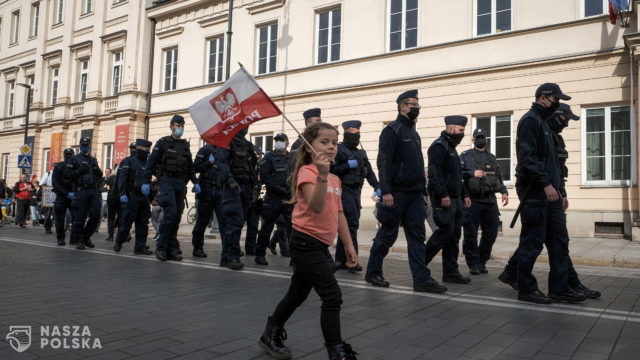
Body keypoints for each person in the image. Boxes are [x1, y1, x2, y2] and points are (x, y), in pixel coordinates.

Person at [258, 122, 358, 360]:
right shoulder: (308, 172)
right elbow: (316, 206)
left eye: (334, 142)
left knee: (296, 295)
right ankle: (336, 350)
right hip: (304, 242)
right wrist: (322, 175)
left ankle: (269, 333)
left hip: (321, 245)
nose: (331, 146)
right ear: (309, 146)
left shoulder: (335, 179)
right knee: (332, 295)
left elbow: (339, 213)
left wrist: (349, 246)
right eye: (324, 142)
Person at [498, 103, 601, 299]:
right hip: (535, 189)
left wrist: (562, 192)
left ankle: (563, 285)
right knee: (536, 239)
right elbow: (528, 160)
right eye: (564, 119)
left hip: (552, 191)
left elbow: (558, 170)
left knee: (557, 240)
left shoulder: (554, 137)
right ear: (555, 114)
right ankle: (527, 284)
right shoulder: (534, 124)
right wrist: (546, 184)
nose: (566, 124)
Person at [365, 90, 442, 293]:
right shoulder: (392, 130)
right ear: (402, 106)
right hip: (396, 194)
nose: (417, 107)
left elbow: (418, 165)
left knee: (417, 237)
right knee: (387, 234)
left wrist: (424, 192)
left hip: (415, 194)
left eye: (418, 104)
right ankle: (373, 272)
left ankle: (421, 279)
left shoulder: (414, 133)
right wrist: (386, 191)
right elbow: (384, 162)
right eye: (413, 104)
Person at [143, 114, 200, 262]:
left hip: (180, 183)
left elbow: (190, 167)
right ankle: (161, 247)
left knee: (176, 217)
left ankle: (171, 248)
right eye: (177, 125)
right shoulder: (163, 142)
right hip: (166, 181)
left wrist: (195, 182)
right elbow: (151, 162)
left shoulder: (184, 145)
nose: (179, 128)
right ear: (171, 126)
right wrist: (145, 181)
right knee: (170, 213)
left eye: (181, 126)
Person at [424, 116, 472, 286]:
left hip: (456, 199)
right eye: (460, 131)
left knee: (454, 236)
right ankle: (420, 265)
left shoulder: (451, 148)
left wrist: (464, 194)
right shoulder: (439, 147)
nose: (462, 134)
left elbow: (457, 176)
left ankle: (451, 272)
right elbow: (434, 174)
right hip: (444, 199)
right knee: (443, 233)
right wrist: (442, 194)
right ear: (450, 129)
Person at [331, 120, 379, 273]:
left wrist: (378, 186)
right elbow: (330, 170)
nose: (356, 136)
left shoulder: (361, 153)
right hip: (344, 190)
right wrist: (346, 166)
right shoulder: (338, 150)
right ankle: (352, 260)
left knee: (348, 225)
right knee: (351, 224)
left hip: (357, 191)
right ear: (345, 134)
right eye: (352, 133)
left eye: (358, 133)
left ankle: (340, 260)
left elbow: (369, 172)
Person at [460, 128, 509, 275]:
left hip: (489, 200)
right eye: (477, 137)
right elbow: (455, 172)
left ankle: (482, 261)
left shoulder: (492, 157)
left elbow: (498, 177)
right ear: (473, 139)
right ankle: (473, 263)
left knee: (491, 232)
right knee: (471, 233)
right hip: (472, 200)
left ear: (486, 139)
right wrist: (471, 173)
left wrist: (504, 191)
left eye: (482, 137)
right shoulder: (465, 156)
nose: (480, 139)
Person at [191, 142, 244, 268]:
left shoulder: (225, 150)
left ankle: (225, 254)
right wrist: (208, 163)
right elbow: (195, 167)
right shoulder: (205, 150)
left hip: (220, 190)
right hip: (207, 189)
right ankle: (197, 247)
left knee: (224, 224)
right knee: (202, 221)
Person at [254, 133, 293, 265]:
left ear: (287, 142)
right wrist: (278, 188)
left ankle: (296, 258)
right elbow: (265, 176)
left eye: (281, 140)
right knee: (267, 227)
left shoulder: (291, 158)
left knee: (292, 229)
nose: (278, 143)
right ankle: (259, 255)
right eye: (276, 141)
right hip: (273, 197)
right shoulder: (269, 157)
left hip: (288, 198)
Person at [113, 139, 154, 255]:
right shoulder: (128, 161)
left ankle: (140, 247)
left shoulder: (147, 163)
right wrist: (122, 194)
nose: (148, 152)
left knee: (143, 224)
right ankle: (119, 242)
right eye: (146, 150)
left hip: (144, 198)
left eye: (149, 150)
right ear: (140, 150)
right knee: (126, 222)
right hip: (132, 197)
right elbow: (122, 179)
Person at [66, 137, 103, 250]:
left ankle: (86, 237)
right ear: (80, 146)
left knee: (96, 216)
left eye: (87, 145)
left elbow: (100, 175)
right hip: (81, 190)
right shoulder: (75, 159)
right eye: (83, 145)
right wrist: (78, 171)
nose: (85, 146)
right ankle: (80, 240)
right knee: (80, 217)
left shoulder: (93, 160)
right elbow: (67, 175)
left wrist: (98, 172)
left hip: (93, 190)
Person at [228, 127, 259, 255]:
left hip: (247, 187)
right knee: (235, 220)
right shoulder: (229, 142)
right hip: (233, 187)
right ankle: (231, 251)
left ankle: (235, 249)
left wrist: (254, 185)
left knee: (241, 220)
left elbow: (252, 166)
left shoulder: (248, 145)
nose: (244, 128)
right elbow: (224, 165)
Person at [52, 149, 76, 245]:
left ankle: (73, 238)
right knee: (59, 218)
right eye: (67, 154)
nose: (69, 156)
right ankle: (60, 238)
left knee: (77, 218)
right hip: (62, 195)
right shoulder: (59, 166)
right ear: (64, 155)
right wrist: (66, 193)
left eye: (70, 154)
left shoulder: (77, 166)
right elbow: (55, 183)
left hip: (74, 195)